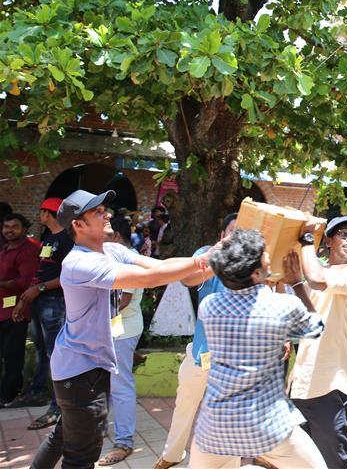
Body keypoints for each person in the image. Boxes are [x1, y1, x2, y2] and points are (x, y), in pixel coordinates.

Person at [31, 190, 217, 468]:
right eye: (97, 212)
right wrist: (208, 257)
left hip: (84, 367)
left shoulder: (112, 250)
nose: (107, 214)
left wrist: (213, 264)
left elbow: (164, 267)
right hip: (80, 371)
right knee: (81, 456)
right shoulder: (80, 263)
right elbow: (150, 278)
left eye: (104, 209)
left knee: (64, 435)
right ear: (78, 226)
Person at [189, 229, 326, 469]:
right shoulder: (281, 306)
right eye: (264, 255)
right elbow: (316, 328)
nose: (269, 256)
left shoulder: (209, 306)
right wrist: (296, 282)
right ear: (255, 272)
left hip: (215, 423)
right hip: (267, 424)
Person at [153, 213, 237, 469]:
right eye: (232, 231)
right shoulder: (207, 254)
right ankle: (172, 454)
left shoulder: (253, 262)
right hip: (201, 351)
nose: (237, 238)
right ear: (222, 235)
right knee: (184, 406)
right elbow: (187, 279)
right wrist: (220, 254)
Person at [287, 216, 347, 469]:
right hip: (303, 382)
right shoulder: (323, 273)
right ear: (329, 240)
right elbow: (312, 319)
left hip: (328, 383)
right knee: (305, 459)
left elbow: (316, 279)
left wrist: (304, 240)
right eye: (344, 234)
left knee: (335, 462)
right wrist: (294, 283)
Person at [7, 199, 72, 430]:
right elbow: (40, 272)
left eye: (41, 212)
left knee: (56, 354)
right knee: (42, 351)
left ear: (48, 213)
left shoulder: (65, 239)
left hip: (54, 303)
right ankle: (38, 393)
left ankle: (58, 407)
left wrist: (40, 288)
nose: (39, 216)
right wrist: (27, 297)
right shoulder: (48, 238)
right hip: (38, 301)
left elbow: (67, 275)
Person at [97, 217, 145, 466]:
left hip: (122, 330)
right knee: (107, 382)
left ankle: (124, 441)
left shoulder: (128, 258)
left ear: (116, 237)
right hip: (113, 329)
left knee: (120, 384)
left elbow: (122, 300)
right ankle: (101, 427)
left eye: (105, 234)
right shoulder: (114, 256)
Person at [0, 213, 40, 405]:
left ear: (24, 229)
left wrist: (2, 283)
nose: (9, 230)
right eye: (6, 226)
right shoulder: (5, 249)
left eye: (14, 227)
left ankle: (9, 395)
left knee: (12, 355)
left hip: (17, 310)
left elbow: (26, 281)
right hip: (2, 309)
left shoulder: (29, 249)